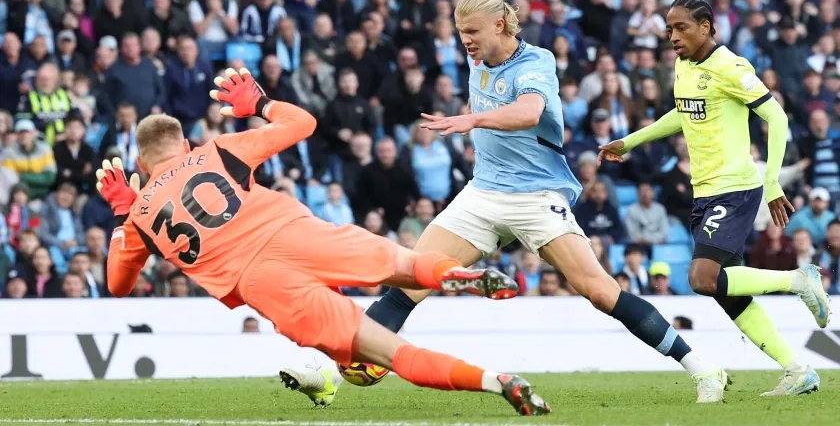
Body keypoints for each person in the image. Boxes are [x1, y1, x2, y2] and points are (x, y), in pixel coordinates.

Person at [285, 0, 728, 405]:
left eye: (472, 32)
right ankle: (325, 373)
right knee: (410, 278)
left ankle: (701, 366)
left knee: (598, 290)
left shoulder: (537, 62)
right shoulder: (478, 59)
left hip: (537, 195)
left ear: (499, 25)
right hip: (483, 193)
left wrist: (472, 120)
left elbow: (529, 111)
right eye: (461, 34)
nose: (466, 42)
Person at [97, 67, 548, 416]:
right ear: (185, 141)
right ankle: (456, 275)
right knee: (406, 265)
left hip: (262, 282)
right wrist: (260, 102)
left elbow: (117, 285)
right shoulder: (215, 151)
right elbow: (304, 123)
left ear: (141, 159)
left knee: (392, 355)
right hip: (294, 232)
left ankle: (494, 380)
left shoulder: (139, 216)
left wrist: (121, 213)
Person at [598, 0, 830, 397]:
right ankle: (798, 369)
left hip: (736, 188)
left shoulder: (732, 67)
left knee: (701, 278)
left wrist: (772, 181)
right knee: (725, 290)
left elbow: (776, 116)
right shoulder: (683, 65)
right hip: (703, 192)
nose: (672, 36)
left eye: (681, 27)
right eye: (669, 28)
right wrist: (631, 141)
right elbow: (683, 113)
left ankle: (799, 280)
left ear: (706, 26)